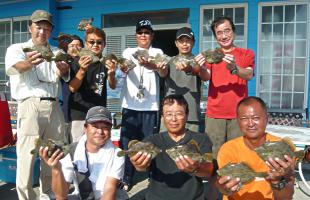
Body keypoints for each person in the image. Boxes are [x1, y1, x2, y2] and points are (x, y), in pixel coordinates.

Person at [5, 10, 69, 200]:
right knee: (26, 156)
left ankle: (47, 195)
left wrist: (64, 69)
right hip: (30, 105)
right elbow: (16, 68)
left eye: (47, 29)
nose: (42, 32)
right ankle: (25, 197)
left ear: (51, 32)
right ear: (30, 27)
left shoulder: (58, 52)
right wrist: (29, 62)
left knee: (53, 154)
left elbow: (65, 75)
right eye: (38, 27)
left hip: (54, 106)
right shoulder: (17, 48)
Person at [129, 94, 216, 200]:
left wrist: (196, 168)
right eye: (169, 114)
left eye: (179, 114)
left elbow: (209, 171)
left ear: (187, 115)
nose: (174, 119)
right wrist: (139, 165)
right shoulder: (151, 140)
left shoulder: (201, 139)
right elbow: (142, 168)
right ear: (162, 117)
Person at [195, 16, 255, 158]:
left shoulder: (246, 53)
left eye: (227, 31)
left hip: (239, 114)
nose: (224, 36)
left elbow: (249, 74)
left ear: (233, 32)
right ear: (216, 37)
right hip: (215, 114)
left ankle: (235, 180)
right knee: (213, 155)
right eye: (219, 33)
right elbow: (206, 77)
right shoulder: (212, 55)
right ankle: (215, 180)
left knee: (237, 154)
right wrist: (200, 67)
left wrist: (234, 68)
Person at [39, 106, 127, 200]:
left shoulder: (118, 154)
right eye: (95, 126)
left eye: (105, 127)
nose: (100, 131)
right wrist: (56, 168)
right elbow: (61, 196)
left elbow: (110, 189)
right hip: (84, 195)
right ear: (85, 128)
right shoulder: (71, 151)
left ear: (110, 130)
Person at [216, 96, 295, 200]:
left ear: (266, 118)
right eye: (244, 119)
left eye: (256, 118)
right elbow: (222, 185)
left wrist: (277, 181)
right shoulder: (228, 149)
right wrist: (224, 188)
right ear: (238, 121)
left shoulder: (282, 147)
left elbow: (286, 197)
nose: (250, 123)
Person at [119, 19, 166, 189]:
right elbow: (122, 70)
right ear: (136, 35)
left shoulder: (157, 51)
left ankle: (152, 178)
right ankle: (127, 177)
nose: (143, 35)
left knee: (149, 145)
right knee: (127, 144)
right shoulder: (128, 51)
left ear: (152, 35)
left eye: (147, 32)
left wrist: (150, 64)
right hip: (130, 106)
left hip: (150, 107)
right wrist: (123, 69)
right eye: (140, 32)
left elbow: (164, 72)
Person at [68, 27, 117, 143]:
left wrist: (111, 74)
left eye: (99, 42)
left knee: (99, 149)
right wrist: (82, 70)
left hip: (99, 113)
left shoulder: (106, 63)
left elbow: (113, 86)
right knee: (77, 150)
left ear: (104, 44)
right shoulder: (77, 61)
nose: (95, 45)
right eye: (91, 42)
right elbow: (72, 88)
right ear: (86, 43)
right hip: (80, 114)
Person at [160, 27, 209, 132]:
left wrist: (191, 68)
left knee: (190, 147)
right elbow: (162, 74)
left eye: (188, 41)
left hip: (192, 115)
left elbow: (205, 77)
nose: (185, 44)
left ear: (193, 43)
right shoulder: (169, 60)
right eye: (181, 41)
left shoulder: (199, 61)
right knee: (166, 146)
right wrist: (160, 68)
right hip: (170, 111)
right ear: (176, 43)